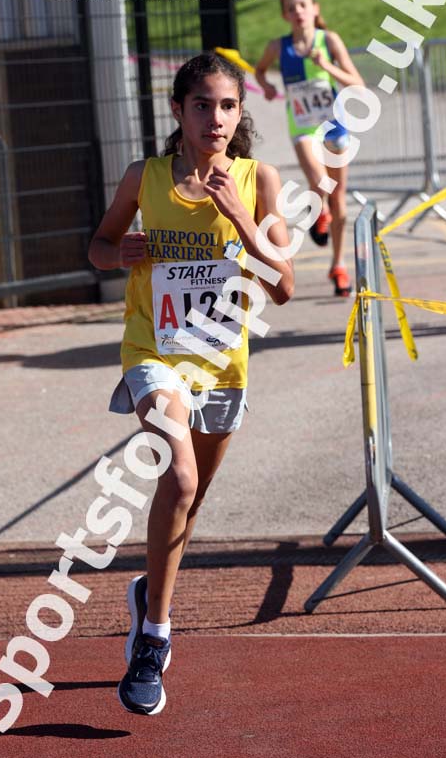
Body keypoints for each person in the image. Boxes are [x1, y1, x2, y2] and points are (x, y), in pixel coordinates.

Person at [89, 52, 294, 716]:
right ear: (177, 111)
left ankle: (150, 590)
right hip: (153, 351)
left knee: (191, 497)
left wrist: (239, 219)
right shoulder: (142, 177)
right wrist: (115, 252)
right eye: (202, 105)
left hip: (221, 367)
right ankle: (155, 636)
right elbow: (98, 244)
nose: (216, 118)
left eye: (228, 106)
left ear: (240, 115)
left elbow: (283, 288)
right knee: (176, 478)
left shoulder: (258, 180)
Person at [255, 0, 364, 296]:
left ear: (315, 8)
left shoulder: (328, 41)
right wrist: (266, 87)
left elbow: (357, 82)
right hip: (302, 126)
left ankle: (338, 264)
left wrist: (326, 65)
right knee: (319, 183)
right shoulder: (278, 47)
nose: (298, 11)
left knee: (338, 198)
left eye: (302, 5)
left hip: (334, 126)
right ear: (284, 15)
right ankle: (320, 211)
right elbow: (260, 71)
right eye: (291, 7)